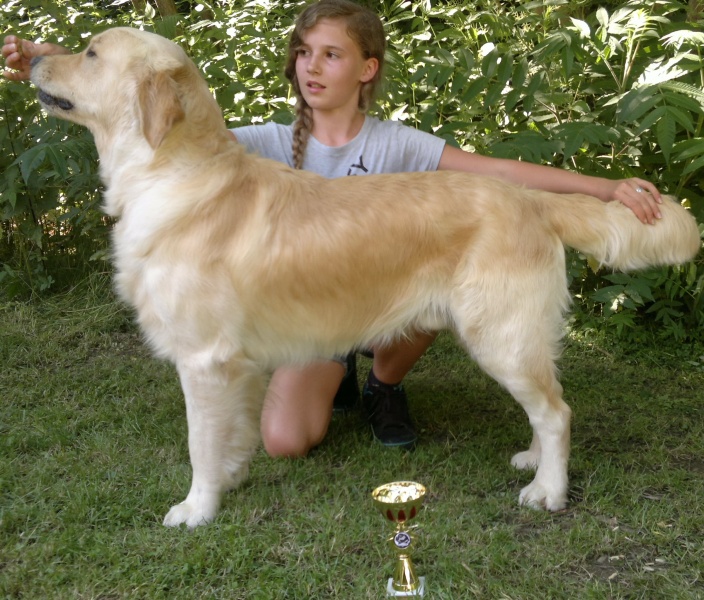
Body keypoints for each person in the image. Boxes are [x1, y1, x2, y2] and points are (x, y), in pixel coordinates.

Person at [3, 0, 663, 457]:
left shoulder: (397, 143)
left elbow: (494, 172)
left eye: (330, 55)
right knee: (286, 441)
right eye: (303, 53)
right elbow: (163, 124)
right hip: (313, 312)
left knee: (442, 263)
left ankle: (386, 386)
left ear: (366, 69)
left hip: (388, 294)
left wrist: (602, 189)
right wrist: (57, 66)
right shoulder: (259, 143)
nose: (311, 67)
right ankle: (337, 375)